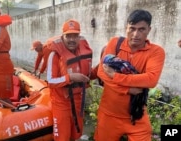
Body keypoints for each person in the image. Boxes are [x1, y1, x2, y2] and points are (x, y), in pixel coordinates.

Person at [94, 9, 165, 141]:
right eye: (132, 28)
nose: (136, 34)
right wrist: (127, 90)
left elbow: (151, 79)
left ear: (149, 29)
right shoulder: (115, 43)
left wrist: (115, 76)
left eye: (141, 29)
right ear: (126, 27)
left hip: (137, 115)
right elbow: (101, 73)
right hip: (109, 115)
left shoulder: (156, 52)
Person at [47, 19, 93, 141]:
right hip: (61, 103)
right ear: (63, 37)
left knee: (76, 134)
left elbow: (88, 73)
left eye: (75, 36)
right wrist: (70, 78)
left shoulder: (82, 52)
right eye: (68, 36)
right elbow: (50, 81)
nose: (72, 39)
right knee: (62, 137)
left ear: (79, 37)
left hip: (78, 100)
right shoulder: (54, 55)